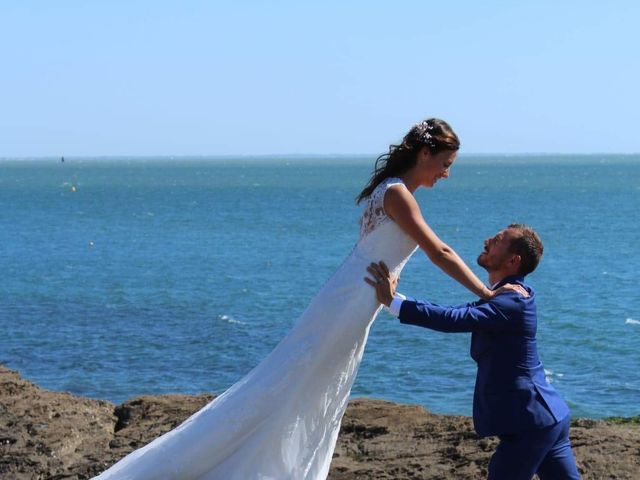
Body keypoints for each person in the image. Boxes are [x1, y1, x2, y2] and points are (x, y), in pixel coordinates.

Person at [94, 119, 520, 480]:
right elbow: (438, 251)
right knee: (301, 382)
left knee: (308, 383)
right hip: (352, 298)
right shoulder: (397, 194)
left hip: (353, 295)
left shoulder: (390, 190)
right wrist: (486, 294)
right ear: (425, 154)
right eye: (445, 164)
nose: (446, 174)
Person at [365, 225, 581, 480]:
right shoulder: (511, 294)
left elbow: (453, 318)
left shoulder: (511, 301)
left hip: (530, 423)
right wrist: (395, 298)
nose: (487, 239)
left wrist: (393, 302)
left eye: (498, 240)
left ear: (513, 260)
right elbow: (460, 311)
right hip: (548, 417)